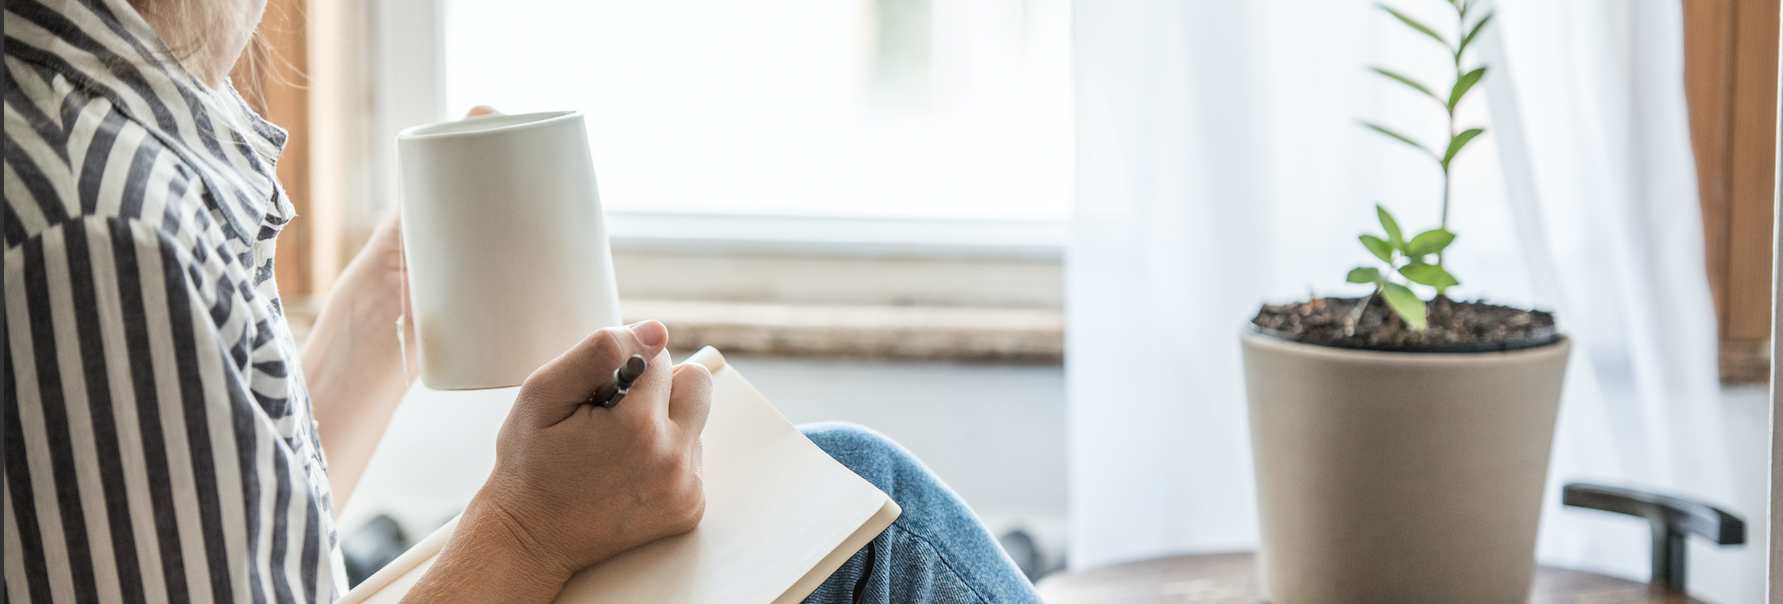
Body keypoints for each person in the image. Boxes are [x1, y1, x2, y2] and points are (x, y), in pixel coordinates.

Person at [0, 0, 1045, 602]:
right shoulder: (100, 228)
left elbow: (210, 547)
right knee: (867, 511)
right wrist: (527, 528)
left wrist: (380, 320)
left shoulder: (87, 127)